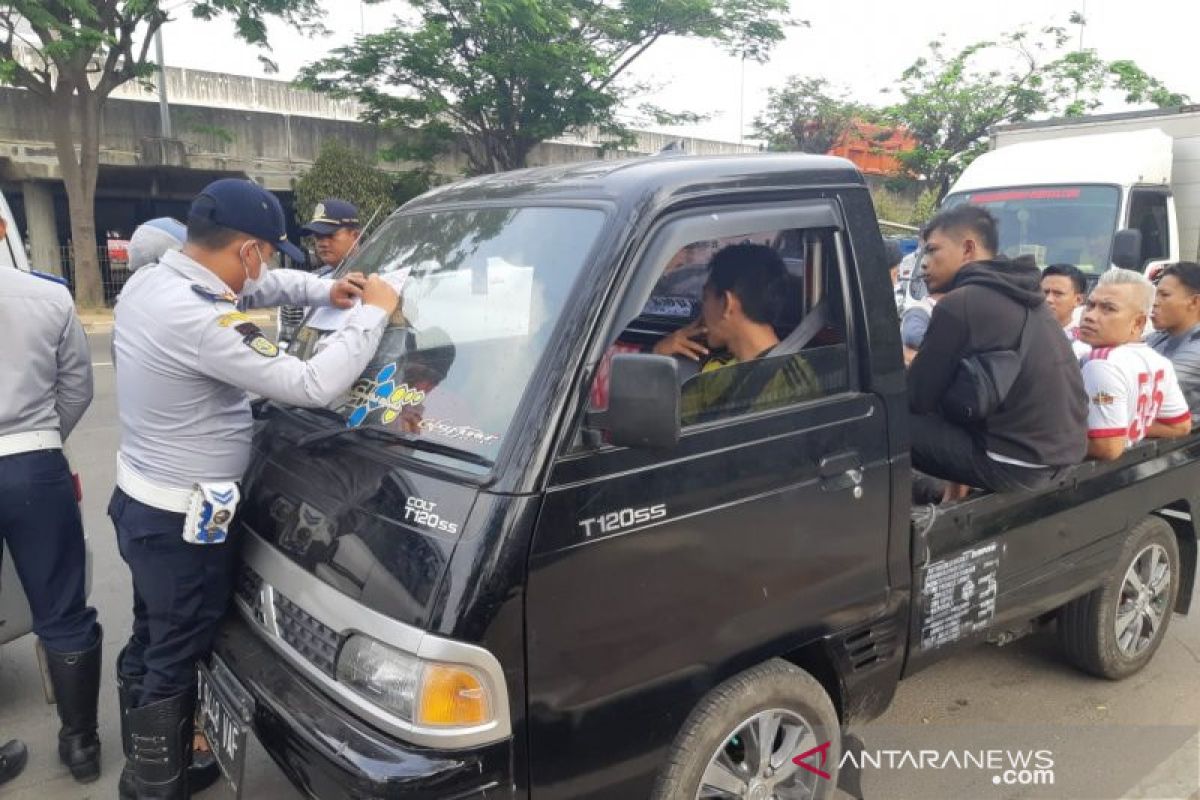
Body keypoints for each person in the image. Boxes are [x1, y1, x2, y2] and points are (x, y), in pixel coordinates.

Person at [110, 178, 399, 798]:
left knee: (150, 633)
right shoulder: (202, 319)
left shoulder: (154, 280)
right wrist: (373, 310)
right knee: (176, 651)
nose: (266, 268)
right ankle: (155, 784)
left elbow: (263, 286)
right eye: (265, 253)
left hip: (143, 502)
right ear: (245, 250)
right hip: (182, 524)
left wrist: (330, 288)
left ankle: (141, 758)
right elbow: (312, 384)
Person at [0, 215, 103, 784]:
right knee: (61, 609)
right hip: (34, 462)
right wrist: (40, 441)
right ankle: (81, 745)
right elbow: (78, 388)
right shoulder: (48, 296)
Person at [908, 205, 1087, 495]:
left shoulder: (960, 303)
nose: (924, 263)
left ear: (968, 249)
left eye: (932, 251)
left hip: (1016, 465)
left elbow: (917, 397)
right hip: (1059, 457)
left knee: (878, 421)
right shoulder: (1024, 293)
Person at [652, 243, 820, 425]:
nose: (701, 312)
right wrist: (659, 355)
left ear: (726, 303)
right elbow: (666, 425)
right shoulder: (722, 371)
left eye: (705, 298)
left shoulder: (792, 388)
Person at [1078, 268, 1191, 460]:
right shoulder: (1159, 361)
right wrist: (1125, 427)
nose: (1090, 315)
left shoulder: (1101, 363)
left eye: (1108, 308)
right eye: (1090, 305)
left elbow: (1108, 448)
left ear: (1138, 323)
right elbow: (1179, 426)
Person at [279, 199, 364, 345]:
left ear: (355, 236)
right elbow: (288, 343)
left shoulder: (378, 280)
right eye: (318, 236)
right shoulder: (310, 284)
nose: (322, 243)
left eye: (330, 235)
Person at [1148, 261, 1200, 420]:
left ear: (1194, 302)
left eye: (1164, 295)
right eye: (1155, 294)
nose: (1154, 302)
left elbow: (1148, 389)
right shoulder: (1159, 336)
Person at [1042, 263, 1090, 360]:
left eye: (1058, 293)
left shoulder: (1083, 344)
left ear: (1078, 300)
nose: (1048, 299)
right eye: (1045, 292)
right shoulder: (1024, 331)